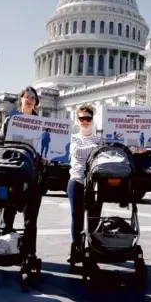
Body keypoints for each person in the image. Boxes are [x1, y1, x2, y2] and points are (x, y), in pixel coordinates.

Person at [0, 86, 45, 256]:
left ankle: (29, 252)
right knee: (7, 211)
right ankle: (4, 246)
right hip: (12, 170)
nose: (30, 99)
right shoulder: (10, 120)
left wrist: (44, 157)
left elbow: (45, 147)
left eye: (33, 97)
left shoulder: (41, 124)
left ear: (36, 102)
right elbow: (1, 142)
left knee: (30, 217)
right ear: (21, 99)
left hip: (32, 173)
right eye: (27, 96)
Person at [66, 105, 103, 264]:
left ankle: (93, 249)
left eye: (88, 118)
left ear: (92, 119)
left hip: (95, 184)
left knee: (94, 218)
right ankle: (77, 248)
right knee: (77, 218)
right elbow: (76, 152)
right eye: (82, 118)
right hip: (77, 181)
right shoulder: (73, 137)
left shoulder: (100, 138)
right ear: (77, 120)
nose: (85, 121)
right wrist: (96, 149)